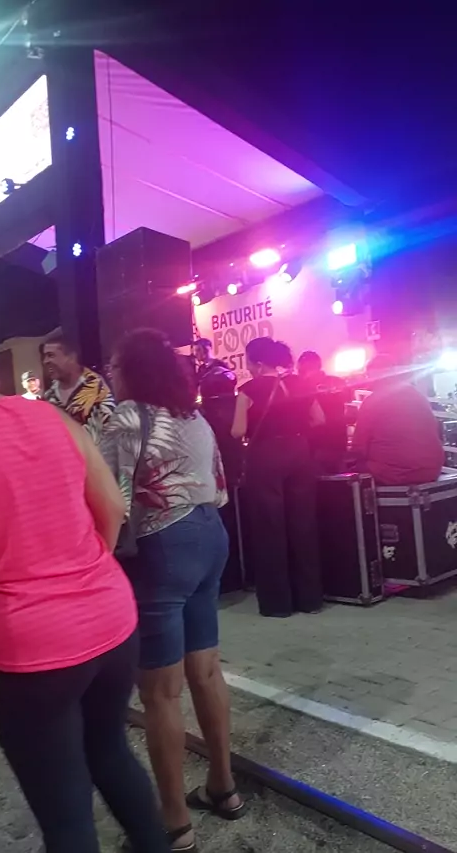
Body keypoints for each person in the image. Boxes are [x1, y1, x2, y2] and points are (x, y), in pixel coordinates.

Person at [0, 340, 168, 853]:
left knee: (64, 814)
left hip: (27, 648)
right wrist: (79, 575)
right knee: (110, 752)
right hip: (110, 618)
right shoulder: (52, 417)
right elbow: (112, 507)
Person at [100, 328, 245, 853]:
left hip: (163, 545)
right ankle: (224, 787)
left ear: (132, 371)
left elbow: (109, 497)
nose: (109, 375)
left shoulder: (126, 418)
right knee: (205, 670)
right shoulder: (192, 416)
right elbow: (220, 486)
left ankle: (174, 824)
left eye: (114, 366)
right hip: (211, 536)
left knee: (160, 692)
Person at [231, 337, 323, 617]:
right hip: (299, 451)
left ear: (259, 364)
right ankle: (310, 599)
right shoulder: (300, 383)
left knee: (269, 528)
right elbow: (319, 419)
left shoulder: (248, 390)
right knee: (303, 524)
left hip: (265, 456)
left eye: (248, 362)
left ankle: (277, 604)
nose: (248, 368)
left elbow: (237, 431)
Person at [352, 354, 444, 485]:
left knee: (354, 471)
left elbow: (359, 447)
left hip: (395, 472)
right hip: (431, 470)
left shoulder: (373, 401)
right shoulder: (417, 395)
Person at [43, 329, 115, 441]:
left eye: (51, 355)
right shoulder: (49, 396)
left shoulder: (97, 389)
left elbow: (109, 434)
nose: (45, 361)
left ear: (71, 357)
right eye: (45, 356)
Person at [297, 350, 348, 474]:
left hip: (315, 445)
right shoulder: (338, 382)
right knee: (339, 478)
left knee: (317, 480)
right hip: (339, 442)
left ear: (301, 369)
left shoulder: (302, 387)